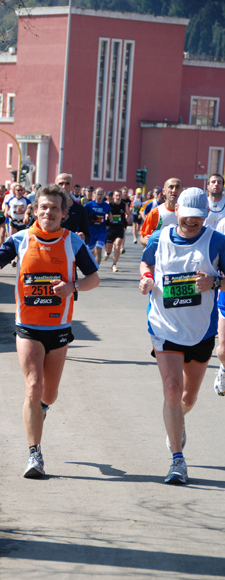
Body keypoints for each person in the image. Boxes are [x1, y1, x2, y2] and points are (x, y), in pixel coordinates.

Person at [0, 184, 100, 478]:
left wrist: (74, 287)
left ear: (64, 214)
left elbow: (94, 278)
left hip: (59, 328)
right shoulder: (21, 239)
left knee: (49, 394)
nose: (49, 212)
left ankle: (41, 408)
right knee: (33, 386)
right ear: (34, 211)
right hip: (28, 327)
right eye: (43, 207)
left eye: (55, 208)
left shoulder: (72, 243)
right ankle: (35, 455)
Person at [139, 188, 225, 484]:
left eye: (199, 218)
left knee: (188, 396)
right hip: (164, 326)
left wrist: (215, 282)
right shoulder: (159, 237)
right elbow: (146, 263)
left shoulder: (217, 241)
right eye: (188, 216)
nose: (192, 222)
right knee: (173, 390)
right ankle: (177, 460)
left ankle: (178, 418)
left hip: (200, 330)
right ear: (177, 211)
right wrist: (146, 278)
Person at [202, 174, 225, 395]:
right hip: (214, 271)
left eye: (220, 182)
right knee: (222, 348)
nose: (217, 185)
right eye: (213, 182)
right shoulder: (202, 206)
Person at [139, 178, 182, 247]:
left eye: (177, 187)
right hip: (160, 255)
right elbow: (142, 237)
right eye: (171, 187)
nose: (174, 190)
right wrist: (148, 241)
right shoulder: (155, 212)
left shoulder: (187, 213)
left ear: (181, 191)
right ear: (164, 191)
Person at [55, 173, 90, 244]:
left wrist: (82, 237)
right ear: (55, 186)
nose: (64, 186)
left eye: (67, 183)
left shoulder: (80, 210)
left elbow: (87, 236)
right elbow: (30, 228)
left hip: (69, 249)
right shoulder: (46, 207)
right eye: (60, 183)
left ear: (71, 186)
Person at [104, 189, 130, 272]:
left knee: (118, 244)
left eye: (119, 195)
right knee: (109, 249)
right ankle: (107, 253)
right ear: (113, 196)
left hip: (119, 227)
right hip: (110, 228)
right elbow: (105, 214)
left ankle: (114, 264)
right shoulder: (109, 205)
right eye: (116, 195)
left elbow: (128, 213)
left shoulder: (124, 205)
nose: (118, 197)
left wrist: (127, 217)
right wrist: (107, 217)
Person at [84, 186, 111, 264]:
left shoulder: (106, 205)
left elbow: (110, 215)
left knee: (98, 249)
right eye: (98, 194)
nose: (99, 196)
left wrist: (109, 219)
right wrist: (90, 216)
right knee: (91, 252)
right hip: (91, 231)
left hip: (101, 231)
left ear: (103, 195)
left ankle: (96, 269)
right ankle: (91, 266)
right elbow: (83, 216)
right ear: (95, 194)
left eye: (101, 195)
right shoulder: (89, 205)